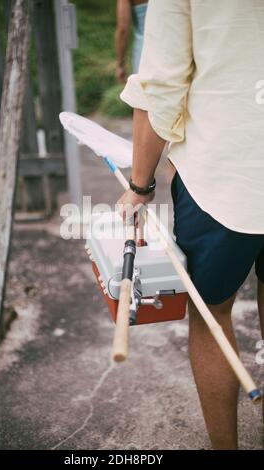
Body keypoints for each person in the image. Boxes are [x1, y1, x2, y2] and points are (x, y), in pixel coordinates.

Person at [117, 0, 264, 450]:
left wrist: (139, 186)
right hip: (227, 169)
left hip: (225, 170)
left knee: (212, 314)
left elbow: (160, 87)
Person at [115, 0, 148, 84]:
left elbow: (123, 29)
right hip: (173, 47)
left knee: (144, 93)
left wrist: (120, 65)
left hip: (143, 53)